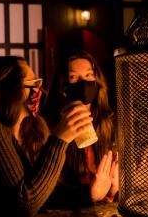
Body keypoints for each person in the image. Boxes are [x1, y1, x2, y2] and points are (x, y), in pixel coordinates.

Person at [0, 55, 93, 217]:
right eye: (32, 83)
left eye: (38, 81)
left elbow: (43, 192)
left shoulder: (33, 128)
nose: (38, 90)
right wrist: (59, 140)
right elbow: (25, 203)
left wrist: (91, 193)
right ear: (9, 89)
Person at [42, 50, 119, 208]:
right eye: (73, 77)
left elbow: (109, 187)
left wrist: (113, 191)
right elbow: (43, 194)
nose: (83, 83)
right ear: (62, 86)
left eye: (88, 75)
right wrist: (89, 195)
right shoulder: (47, 127)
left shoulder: (108, 123)